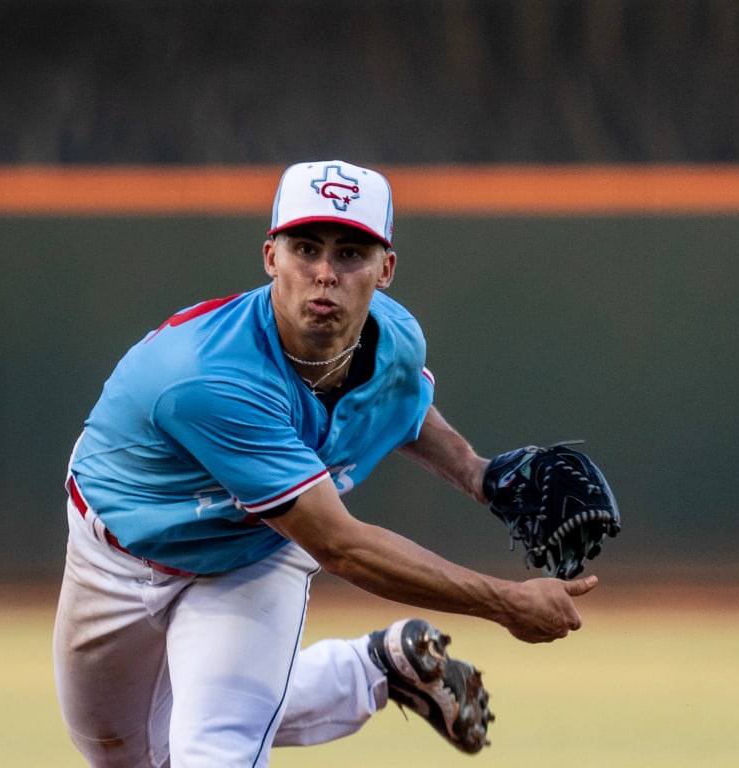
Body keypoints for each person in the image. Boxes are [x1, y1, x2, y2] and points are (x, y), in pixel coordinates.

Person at [53, 160, 599, 767]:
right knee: (120, 753)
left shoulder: (394, 339)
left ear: (385, 269)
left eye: (351, 252)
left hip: (255, 551)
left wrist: (478, 473)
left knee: (214, 751)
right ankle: (376, 668)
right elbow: (343, 546)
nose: (324, 273)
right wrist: (504, 602)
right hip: (120, 554)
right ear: (270, 257)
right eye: (305, 247)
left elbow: (401, 406)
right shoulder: (209, 378)